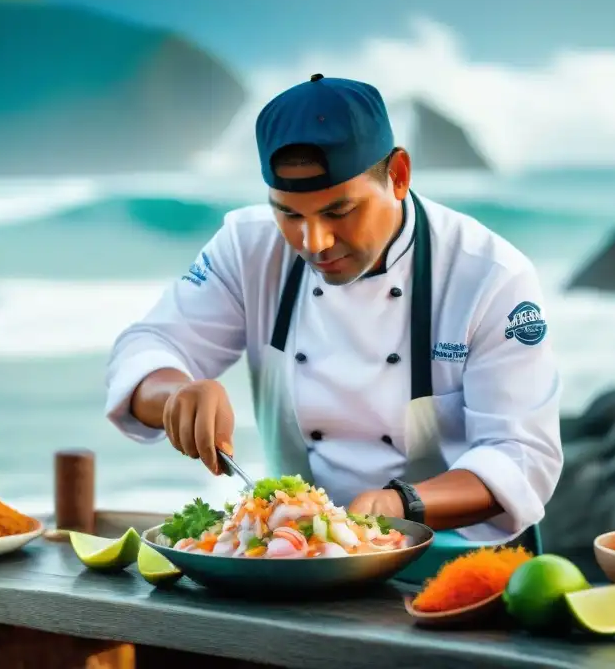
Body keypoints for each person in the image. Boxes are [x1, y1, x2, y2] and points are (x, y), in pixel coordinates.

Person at [105, 74, 563, 574]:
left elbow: (521, 456)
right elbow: (149, 345)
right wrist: (175, 395)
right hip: (300, 563)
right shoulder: (247, 245)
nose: (314, 241)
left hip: (460, 565)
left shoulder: (489, 274)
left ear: (399, 175)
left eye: (339, 210)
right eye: (288, 214)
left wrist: (397, 506)